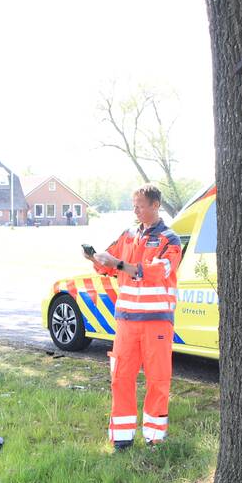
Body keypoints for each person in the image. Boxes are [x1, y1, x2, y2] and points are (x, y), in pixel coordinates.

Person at [85, 184, 182, 451]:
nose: (135, 209)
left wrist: (117, 264)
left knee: (158, 379)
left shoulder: (170, 240)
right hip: (127, 322)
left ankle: (155, 439)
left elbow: (156, 272)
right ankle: (122, 439)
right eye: (134, 204)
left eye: (140, 205)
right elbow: (110, 264)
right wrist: (95, 258)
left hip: (156, 323)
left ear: (155, 205)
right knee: (121, 378)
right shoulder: (128, 235)